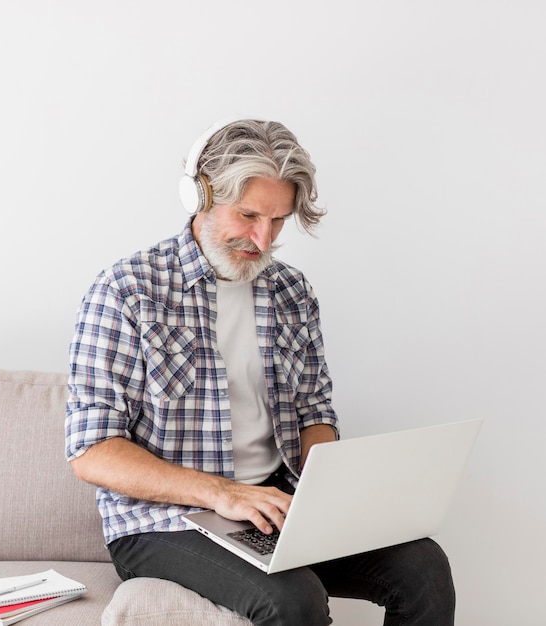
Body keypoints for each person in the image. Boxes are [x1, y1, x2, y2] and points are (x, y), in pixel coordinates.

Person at [65, 118, 455, 625]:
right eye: (248, 215)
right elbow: (92, 451)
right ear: (199, 195)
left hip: (278, 506)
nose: (262, 238)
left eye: (278, 221)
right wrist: (221, 492)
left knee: (423, 568)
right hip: (165, 521)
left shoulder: (292, 292)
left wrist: (333, 495)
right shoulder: (127, 291)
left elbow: (315, 411)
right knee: (291, 598)